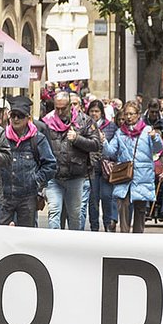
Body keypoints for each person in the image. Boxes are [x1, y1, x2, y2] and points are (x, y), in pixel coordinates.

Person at [43, 90, 101, 229]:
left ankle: (74, 243)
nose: (60, 111)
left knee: (75, 214)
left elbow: (96, 144)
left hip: (75, 176)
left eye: (63, 108)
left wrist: (77, 139)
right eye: (57, 108)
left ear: (70, 106)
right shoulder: (47, 121)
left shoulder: (84, 121)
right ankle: (55, 242)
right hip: (54, 176)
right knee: (54, 210)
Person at [0, 95, 56, 227]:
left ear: (28, 118)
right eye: (13, 115)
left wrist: (36, 180)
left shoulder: (38, 139)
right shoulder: (1, 137)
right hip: (4, 197)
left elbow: (50, 164)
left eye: (20, 116)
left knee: (26, 234)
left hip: (28, 198)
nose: (16, 119)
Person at [106, 100, 163, 233]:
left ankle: (138, 238)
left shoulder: (148, 130)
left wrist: (155, 138)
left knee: (140, 210)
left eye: (131, 114)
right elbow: (110, 152)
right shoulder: (120, 132)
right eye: (126, 114)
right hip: (125, 175)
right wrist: (103, 142)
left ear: (138, 115)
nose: (128, 117)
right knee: (123, 207)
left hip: (142, 177)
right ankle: (125, 237)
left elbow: (158, 149)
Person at [87, 98, 117, 231]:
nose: (94, 114)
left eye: (97, 111)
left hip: (106, 168)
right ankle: (94, 226)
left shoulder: (110, 126)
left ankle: (108, 224)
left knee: (107, 196)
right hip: (91, 167)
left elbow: (115, 148)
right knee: (93, 199)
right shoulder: (86, 125)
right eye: (92, 111)